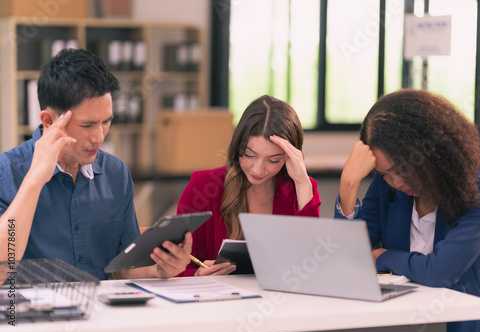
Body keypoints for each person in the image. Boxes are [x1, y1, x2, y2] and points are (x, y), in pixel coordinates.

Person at [0, 48, 192, 280]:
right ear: (49, 121)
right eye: (88, 125)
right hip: (33, 314)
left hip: (101, 312)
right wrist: (34, 180)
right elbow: (3, 267)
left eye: (106, 122)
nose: (99, 137)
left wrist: (159, 269)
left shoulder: (115, 173)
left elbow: (124, 267)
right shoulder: (7, 172)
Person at [336, 89, 480, 332]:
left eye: (402, 170)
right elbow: (347, 257)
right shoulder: (386, 185)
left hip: (470, 322)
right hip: (405, 319)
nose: (397, 183)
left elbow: (440, 273)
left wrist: (382, 255)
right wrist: (348, 184)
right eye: (385, 174)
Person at [176, 95, 322, 276]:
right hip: (216, 300)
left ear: (289, 157)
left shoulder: (301, 189)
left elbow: (311, 264)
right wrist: (197, 275)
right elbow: (176, 266)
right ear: (237, 147)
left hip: (280, 300)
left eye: (273, 160)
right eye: (249, 155)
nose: (258, 169)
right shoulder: (203, 186)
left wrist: (302, 183)